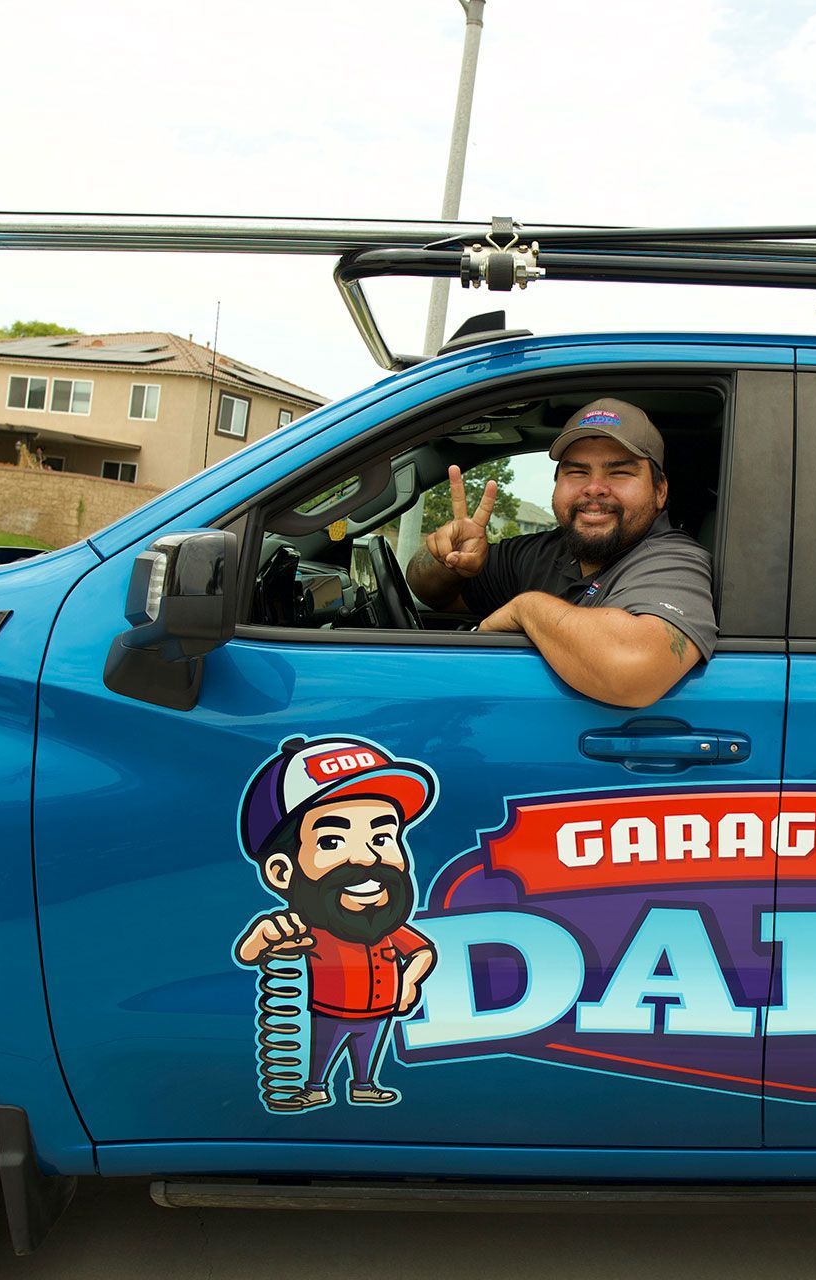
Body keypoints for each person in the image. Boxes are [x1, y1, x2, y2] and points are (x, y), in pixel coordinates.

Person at [407, 398, 717, 708]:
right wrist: (446, 561)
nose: (594, 488)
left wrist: (525, 609)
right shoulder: (547, 550)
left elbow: (633, 672)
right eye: (578, 472)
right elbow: (432, 593)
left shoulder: (674, 561)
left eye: (619, 472)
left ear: (660, 491)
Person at [234, 736, 438, 1112]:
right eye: (332, 841)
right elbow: (252, 952)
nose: (365, 857)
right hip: (328, 1013)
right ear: (282, 871)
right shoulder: (304, 928)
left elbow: (422, 951)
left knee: (368, 1053)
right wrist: (262, 937)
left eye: (381, 836)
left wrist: (407, 982)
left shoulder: (387, 929)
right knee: (321, 1053)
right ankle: (314, 1088)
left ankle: (364, 1085)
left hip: (378, 1012)